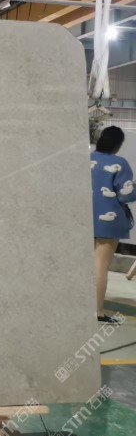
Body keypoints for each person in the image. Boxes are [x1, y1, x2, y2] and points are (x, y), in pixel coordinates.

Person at [92, 126, 136, 323]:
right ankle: (97, 311)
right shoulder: (119, 163)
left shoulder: (86, 159)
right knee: (100, 265)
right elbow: (126, 195)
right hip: (108, 222)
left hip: (84, 217)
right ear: (118, 145)